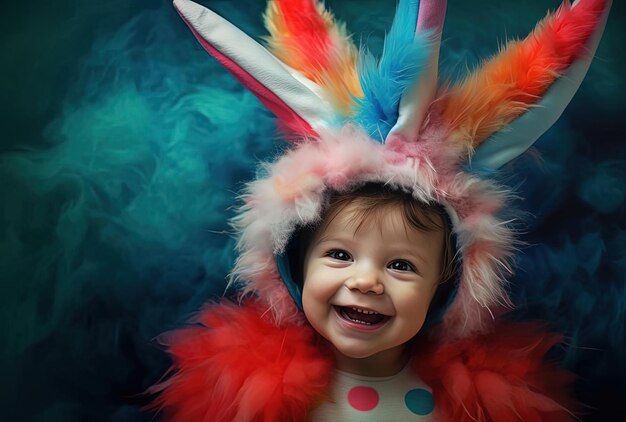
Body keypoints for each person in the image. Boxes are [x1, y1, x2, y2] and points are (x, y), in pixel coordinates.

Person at [150, 0, 611, 420]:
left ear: (446, 288)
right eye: (339, 255)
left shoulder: (484, 404)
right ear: (294, 266)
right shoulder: (245, 396)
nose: (366, 281)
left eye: (401, 265)